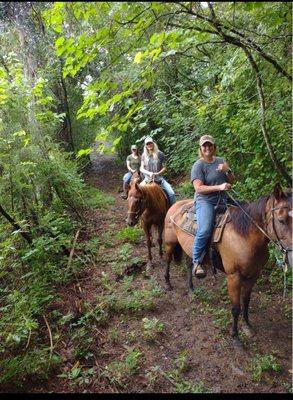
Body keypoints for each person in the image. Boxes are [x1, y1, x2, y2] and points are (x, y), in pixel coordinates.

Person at [190, 134, 235, 278]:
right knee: (205, 229)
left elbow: (232, 180)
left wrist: (227, 170)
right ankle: (197, 261)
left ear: (214, 147)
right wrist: (219, 187)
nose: (207, 148)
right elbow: (198, 188)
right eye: (205, 146)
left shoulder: (221, 161)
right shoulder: (199, 165)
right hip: (206, 201)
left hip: (223, 199)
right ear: (201, 148)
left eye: (210, 145)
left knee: (245, 214)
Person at [140, 136, 176, 206]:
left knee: (172, 194)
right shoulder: (144, 155)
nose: (149, 145)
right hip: (147, 179)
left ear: (153, 143)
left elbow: (165, 167)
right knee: (136, 194)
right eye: (147, 144)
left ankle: (172, 212)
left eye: (150, 143)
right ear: (145, 146)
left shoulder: (160, 154)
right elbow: (141, 168)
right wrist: (149, 173)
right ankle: (137, 215)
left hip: (159, 179)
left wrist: (157, 173)